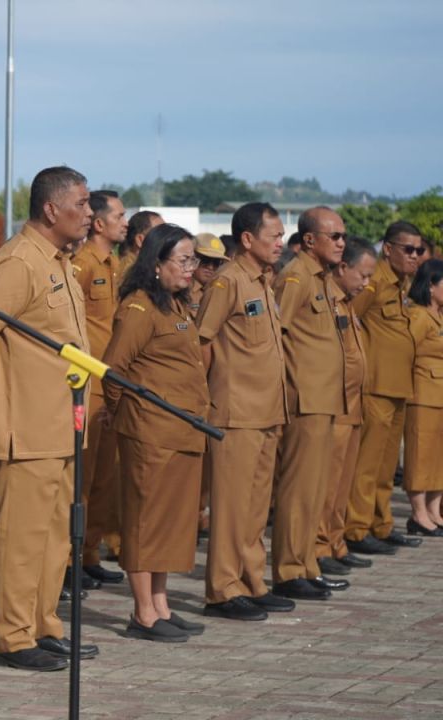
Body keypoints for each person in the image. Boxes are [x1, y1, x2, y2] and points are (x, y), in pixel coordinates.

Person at [0, 165, 96, 672]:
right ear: (51, 209)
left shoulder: (58, 261)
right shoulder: (18, 262)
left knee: (55, 537)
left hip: (62, 422)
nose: (88, 213)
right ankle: (13, 639)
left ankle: (44, 626)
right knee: (21, 540)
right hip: (27, 425)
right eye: (80, 204)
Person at [103, 223, 210, 643]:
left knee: (168, 523)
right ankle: (143, 612)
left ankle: (161, 604)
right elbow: (113, 372)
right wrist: (125, 416)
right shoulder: (140, 308)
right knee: (146, 523)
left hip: (181, 432)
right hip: (151, 433)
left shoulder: (175, 306)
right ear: (157, 263)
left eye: (193, 260)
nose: (191, 268)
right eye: (183, 260)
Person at [196, 202, 292, 622]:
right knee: (232, 507)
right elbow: (201, 342)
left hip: (268, 410)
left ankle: (253, 581)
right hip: (235, 412)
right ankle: (223, 589)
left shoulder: (264, 282)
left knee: (255, 507)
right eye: (274, 236)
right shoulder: (228, 282)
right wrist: (205, 400)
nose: (280, 243)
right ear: (248, 239)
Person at [269, 207, 349, 601]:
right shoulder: (297, 276)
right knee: (298, 488)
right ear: (309, 240)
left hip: (325, 396)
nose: (341, 243)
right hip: (304, 397)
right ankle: (287, 569)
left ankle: (306, 564)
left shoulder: (321, 279)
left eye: (343, 237)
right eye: (334, 236)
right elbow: (273, 334)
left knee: (316, 487)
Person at [346, 221, 429, 555]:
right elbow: (349, 317)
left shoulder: (400, 283)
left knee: (384, 467)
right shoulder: (375, 280)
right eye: (407, 249)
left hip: (398, 386)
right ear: (389, 248)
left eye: (419, 250)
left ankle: (381, 524)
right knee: (367, 465)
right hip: (376, 385)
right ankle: (357, 527)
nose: (414, 256)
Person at [70, 190, 128, 589]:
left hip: (109, 381)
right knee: (82, 479)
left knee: (104, 479)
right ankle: (69, 560)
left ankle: (89, 553)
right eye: (120, 215)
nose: (126, 222)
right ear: (100, 224)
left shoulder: (116, 264)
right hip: (86, 381)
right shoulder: (82, 263)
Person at [316, 238, 377, 576]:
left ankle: (336, 542)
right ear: (342, 268)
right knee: (326, 483)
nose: (366, 283)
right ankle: (319, 544)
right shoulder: (327, 299)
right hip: (333, 405)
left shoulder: (347, 303)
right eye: (362, 275)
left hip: (353, 405)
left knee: (342, 484)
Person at [188, 233, 228, 535]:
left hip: (210, 387)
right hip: (188, 384)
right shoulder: (178, 291)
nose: (210, 267)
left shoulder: (212, 293)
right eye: (205, 260)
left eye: (217, 262)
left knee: (204, 462)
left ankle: (199, 514)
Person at [403, 258, 443, 535]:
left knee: (438, 457)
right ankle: (418, 514)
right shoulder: (419, 316)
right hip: (423, 394)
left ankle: (434, 510)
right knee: (420, 454)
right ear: (431, 286)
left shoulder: (439, 315)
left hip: (439, 395)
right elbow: (406, 351)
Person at [117, 210, 164, 278]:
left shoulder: (146, 268)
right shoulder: (131, 273)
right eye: (160, 233)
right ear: (140, 240)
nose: (167, 237)